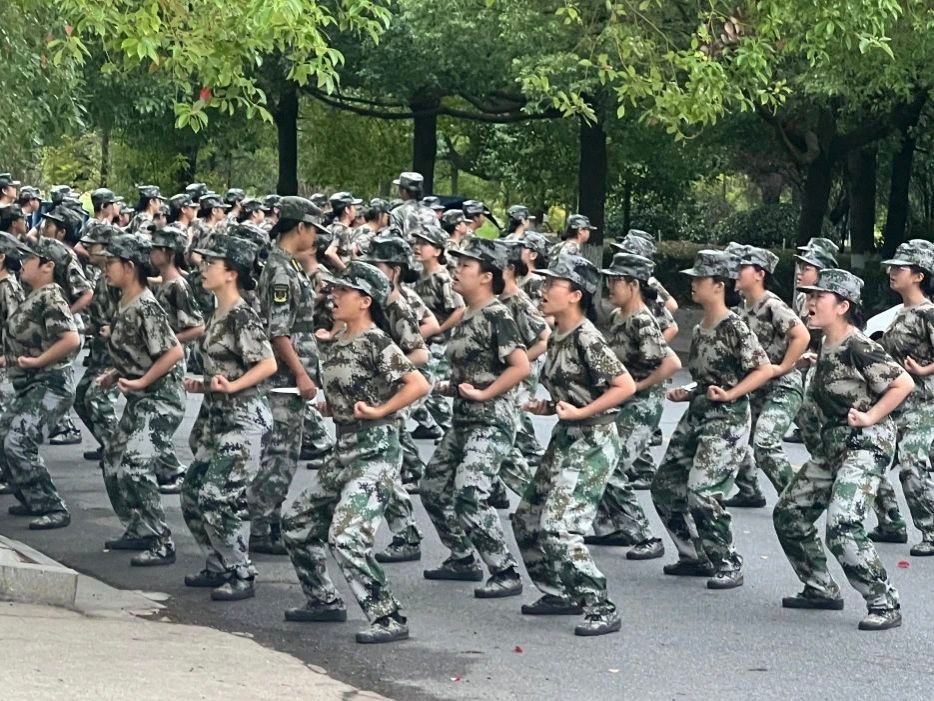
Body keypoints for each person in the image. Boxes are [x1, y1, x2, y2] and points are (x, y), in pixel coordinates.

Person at [282, 262, 429, 644]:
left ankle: (388, 616)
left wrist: (381, 410)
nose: (334, 296)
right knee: (296, 524)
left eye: (344, 291)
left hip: (376, 450)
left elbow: (417, 384)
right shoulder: (339, 341)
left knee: (347, 537)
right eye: (334, 289)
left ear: (365, 301)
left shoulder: (376, 340)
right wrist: (334, 407)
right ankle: (323, 600)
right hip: (345, 447)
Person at [773, 269, 911, 631]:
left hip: (866, 443)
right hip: (834, 447)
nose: (810, 302)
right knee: (789, 513)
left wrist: (869, 417)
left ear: (843, 306)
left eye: (820, 296)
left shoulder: (857, 345)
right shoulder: (826, 345)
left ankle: (883, 601)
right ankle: (820, 587)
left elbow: (903, 383)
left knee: (843, 523)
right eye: (809, 295)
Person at [513, 255, 635, 635]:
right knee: (527, 518)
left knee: (559, 527)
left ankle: (600, 605)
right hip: (567, 437)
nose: (543, 290)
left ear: (575, 295)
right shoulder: (558, 335)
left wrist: (581, 412)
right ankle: (559, 592)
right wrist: (550, 406)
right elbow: (575, 389)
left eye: (553, 284)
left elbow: (624, 386)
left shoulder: (586, 336)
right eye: (544, 282)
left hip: (593, 440)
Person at [651, 250, 772, 589]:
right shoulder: (701, 327)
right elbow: (706, 378)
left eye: (699, 279)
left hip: (727, 419)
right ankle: (695, 555)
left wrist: (732, 394)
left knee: (703, 493)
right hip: (699, 412)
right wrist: (689, 391)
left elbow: (762, 369)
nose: (693, 284)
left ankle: (727, 561)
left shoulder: (734, 326)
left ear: (719, 285)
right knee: (664, 487)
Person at [421, 238, 530, 598]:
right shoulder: (470, 313)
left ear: (486, 276)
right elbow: (474, 367)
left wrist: (485, 393)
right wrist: (447, 386)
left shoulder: (497, 315)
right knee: (432, 488)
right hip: (464, 418)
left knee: (469, 493)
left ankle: (505, 570)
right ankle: (462, 557)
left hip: (491, 420)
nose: (456, 270)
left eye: (465, 266)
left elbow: (520, 366)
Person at [181, 235, 276, 601]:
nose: (203, 269)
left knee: (217, 496)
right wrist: (205, 384)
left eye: (211, 264)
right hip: (218, 419)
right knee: (192, 493)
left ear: (231, 272)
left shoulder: (241, 315)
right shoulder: (217, 312)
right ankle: (218, 563)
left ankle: (241, 570)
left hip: (245, 419)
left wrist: (233, 386)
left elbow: (267, 364)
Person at [97, 234, 185, 566]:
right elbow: (138, 350)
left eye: (111, 263)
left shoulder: (146, 306)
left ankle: (162, 540)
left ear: (129, 267)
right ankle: (139, 527)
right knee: (113, 457)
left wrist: (142, 381)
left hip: (162, 397)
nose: (106, 269)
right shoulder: (126, 302)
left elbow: (173, 352)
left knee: (136, 461)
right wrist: (116, 373)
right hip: (142, 396)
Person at [587, 252, 679, 558]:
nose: (610, 287)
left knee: (611, 466)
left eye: (616, 281)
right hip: (623, 401)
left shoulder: (642, 320)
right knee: (600, 461)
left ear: (633, 285)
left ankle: (646, 536)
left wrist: (638, 386)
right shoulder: (619, 316)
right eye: (609, 280)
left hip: (642, 405)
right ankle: (611, 527)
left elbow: (671, 363)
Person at [248, 197, 323, 555]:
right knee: (280, 453)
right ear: (300, 227)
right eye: (313, 229)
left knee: (284, 452)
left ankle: (269, 521)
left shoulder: (287, 264)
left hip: (292, 373)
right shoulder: (280, 269)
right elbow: (279, 332)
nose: (316, 237)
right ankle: (261, 525)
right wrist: (301, 374)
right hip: (285, 379)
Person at [360, 235, 431, 564]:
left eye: (377, 265)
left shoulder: (396, 304)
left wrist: (385, 368)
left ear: (395, 271)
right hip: (376, 393)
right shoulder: (375, 300)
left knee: (384, 466)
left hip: (395, 392)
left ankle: (406, 534)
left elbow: (420, 353)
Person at [0, 237, 79, 529]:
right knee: (3, 435)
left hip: (51, 384)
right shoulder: (36, 294)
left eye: (30, 258)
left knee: (19, 441)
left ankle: (52, 506)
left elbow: (71, 338)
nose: (23, 263)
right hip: (32, 384)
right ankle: (30, 497)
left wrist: (38, 361)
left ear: (48, 266)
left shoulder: (51, 296)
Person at [727, 247, 810, 508]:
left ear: (759, 274)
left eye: (742, 268)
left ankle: (795, 502)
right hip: (755, 387)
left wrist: (783, 367)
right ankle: (749, 490)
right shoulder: (741, 310)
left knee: (764, 442)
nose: (736, 273)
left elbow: (802, 335)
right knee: (732, 435)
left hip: (782, 387)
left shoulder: (772, 305)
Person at [870, 241, 934, 556]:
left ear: (919, 276)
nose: (892, 273)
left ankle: (931, 529)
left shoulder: (928, 313)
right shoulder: (898, 314)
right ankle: (890, 523)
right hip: (894, 404)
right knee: (868, 459)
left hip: (924, 405)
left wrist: (925, 369)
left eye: (900, 268)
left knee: (911, 464)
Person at [150, 225, 206, 493]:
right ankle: (165, 469)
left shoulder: (178, 286)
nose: (151, 253)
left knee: (160, 419)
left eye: (156, 248)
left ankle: (173, 472)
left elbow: (197, 327)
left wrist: (170, 340)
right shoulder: (164, 283)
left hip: (170, 362)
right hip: (159, 359)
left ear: (169, 253)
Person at [410, 225, 465, 440]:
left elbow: (459, 309)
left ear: (437, 251)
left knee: (424, 386)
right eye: (417, 243)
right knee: (425, 387)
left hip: (440, 343)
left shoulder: (443, 278)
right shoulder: (418, 276)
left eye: (424, 244)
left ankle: (448, 428)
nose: (418, 247)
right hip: (423, 340)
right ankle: (435, 426)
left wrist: (439, 329)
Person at [74, 223, 121, 463]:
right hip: (101, 352)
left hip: (117, 354)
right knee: (81, 398)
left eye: (93, 245)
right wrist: (90, 327)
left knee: (97, 398)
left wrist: (113, 328)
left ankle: (120, 451)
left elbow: (131, 316)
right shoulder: (103, 277)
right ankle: (108, 443)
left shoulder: (119, 281)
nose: (88, 249)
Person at [0, 233, 25, 496]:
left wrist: (7, 358)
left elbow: (18, 331)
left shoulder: (9, 288)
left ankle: (12, 476)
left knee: (5, 423)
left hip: (6, 367)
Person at [324, 192, 362, 270]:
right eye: (353, 207)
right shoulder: (342, 230)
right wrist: (345, 271)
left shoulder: (331, 227)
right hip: (338, 274)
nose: (355, 210)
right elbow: (330, 253)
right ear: (347, 210)